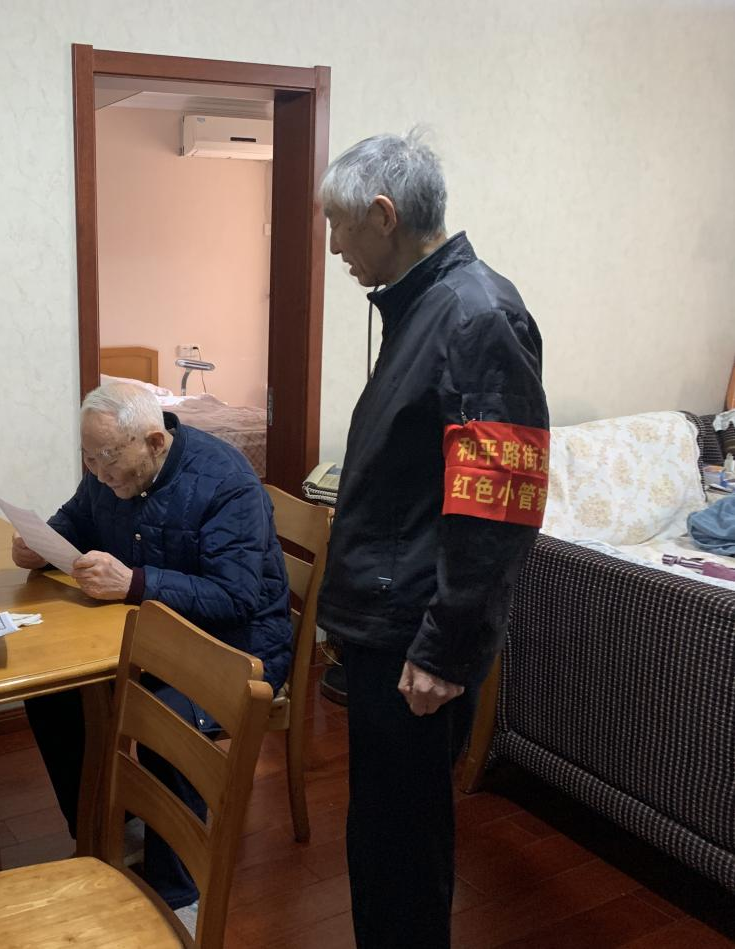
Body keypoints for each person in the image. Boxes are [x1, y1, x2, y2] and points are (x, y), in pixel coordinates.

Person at [316, 130, 549, 948]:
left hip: (415, 635)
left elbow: (499, 507)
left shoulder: (477, 315)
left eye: (340, 225)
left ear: (384, 215)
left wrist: (447, 650)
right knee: (381, 837)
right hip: (387, 623)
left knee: (406, 854)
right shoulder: (423, 306)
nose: (334, 246)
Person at [12, 382, 291, 926]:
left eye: (107, 459)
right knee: (52, 694)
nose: (98, 472)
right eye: (88, 458)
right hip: (152, 637)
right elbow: (74, 520)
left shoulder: (226, 482)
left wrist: (134, 582)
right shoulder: (109, 468)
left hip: (236, 648)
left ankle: (180, 893)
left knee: (163, 714)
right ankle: (112, 828)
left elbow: (236, 597)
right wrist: (38, 545)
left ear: (156, 442)